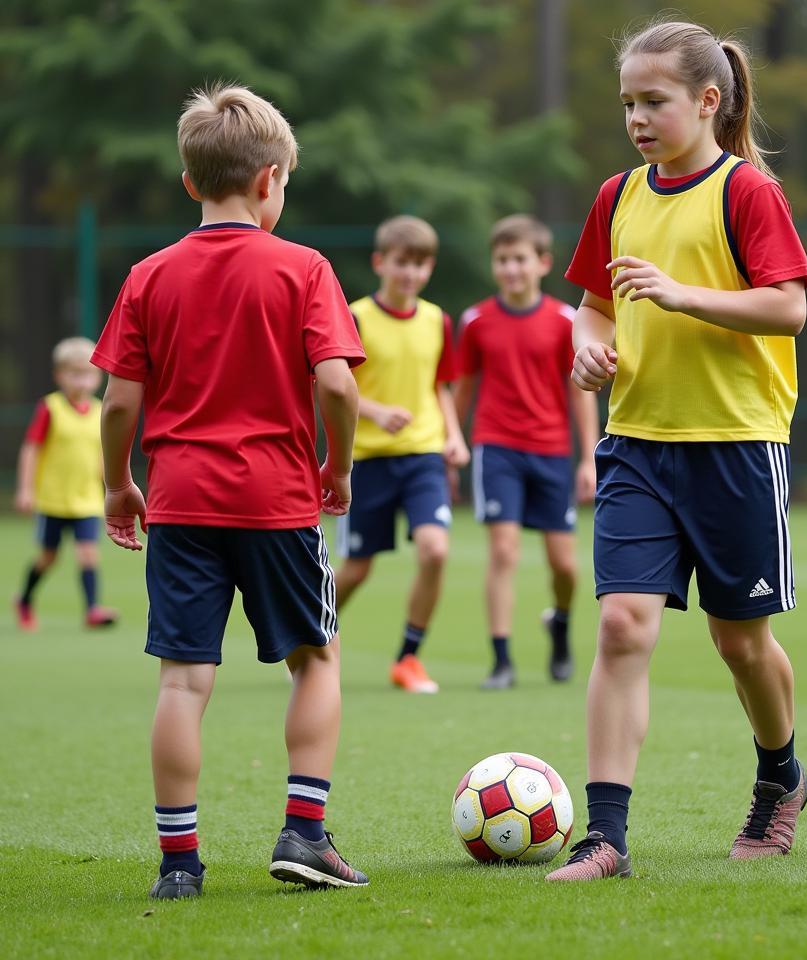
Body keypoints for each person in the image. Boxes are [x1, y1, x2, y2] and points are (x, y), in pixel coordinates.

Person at [545, 20, 807, 883]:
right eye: (627, 102)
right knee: (623, 626)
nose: (637, 117)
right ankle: (607, 836)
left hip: (736, 446)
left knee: (742, 646)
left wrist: (682, 295)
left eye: (653, 101)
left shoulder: (746, 192)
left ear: (707, 101)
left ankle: (782, 775)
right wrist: (588, 346)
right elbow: (593, 305)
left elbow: (787, 309)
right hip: (637, 445)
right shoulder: (616, 196)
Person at [92, 84, 369, 899]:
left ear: (190, 183)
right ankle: (305, 835)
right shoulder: (304, 268)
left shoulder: (149, 275)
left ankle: (179, 865)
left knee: (183, 679)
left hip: (179, 503)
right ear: (271, 178)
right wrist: (340, 466)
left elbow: (116, 403)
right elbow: (340, 388)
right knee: (316, 658)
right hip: (278, 502)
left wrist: (118, 485)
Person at [454, 214, 599, 689]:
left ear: (542, 263)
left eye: (520, 259)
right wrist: (453, 444)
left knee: (564, 564)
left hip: (552, 452)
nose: (511, 269)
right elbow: (463, 390)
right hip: (496, 450)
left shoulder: (565, 321)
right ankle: (501, 661)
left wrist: (588, 457)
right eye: (502, 260)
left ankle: (559, 623)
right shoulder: (476, 322)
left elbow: (581, 391)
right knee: (504, 551)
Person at [333, 216, 470, 694]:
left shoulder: (437, 320)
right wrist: (373, 410)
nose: (409, 273)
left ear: (429, 268)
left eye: (419, 264)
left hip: (424, 456)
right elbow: (330, 386)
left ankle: (409, 658)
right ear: (380, 263)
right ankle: (309, 639)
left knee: (434, 549)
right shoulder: (355, 317)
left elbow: (441, 386)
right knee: (356, 568)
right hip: (367, 459)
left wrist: (453, 435)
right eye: (401, 263)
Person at [13, 337, 118, 631]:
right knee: (48, 557)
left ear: (98, 377)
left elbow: (102, 454)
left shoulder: (100, 411)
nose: (82, 381)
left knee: (88, 553)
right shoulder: (51, 408)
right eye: (74, 374)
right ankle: (24, 599)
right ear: (59, 375)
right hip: (53, 500)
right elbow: (31, 449)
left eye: (88, 374)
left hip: (86, 500)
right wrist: (25, 489)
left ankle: (92, 610)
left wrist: (111, 487)